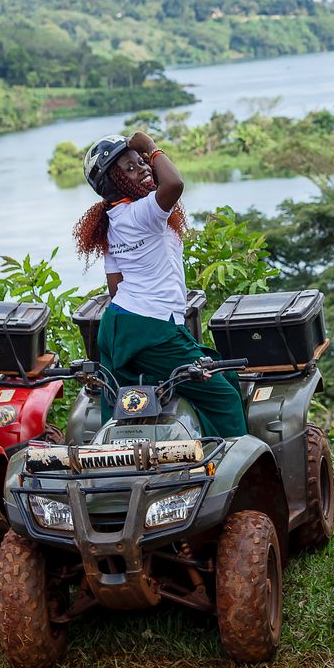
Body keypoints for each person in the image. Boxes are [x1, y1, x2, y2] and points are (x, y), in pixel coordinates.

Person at [73, 130, 246, 438]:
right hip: (151, 330)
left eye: (141, 162)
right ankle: (230, 468)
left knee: (120, 414)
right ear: (114, 182)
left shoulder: (115, 221)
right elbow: (175, 184)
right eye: (130, 168)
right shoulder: (142, 213)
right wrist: (149, 146)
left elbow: (115, 288)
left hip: (118, 328)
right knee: (224, 397)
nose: (142, 168)